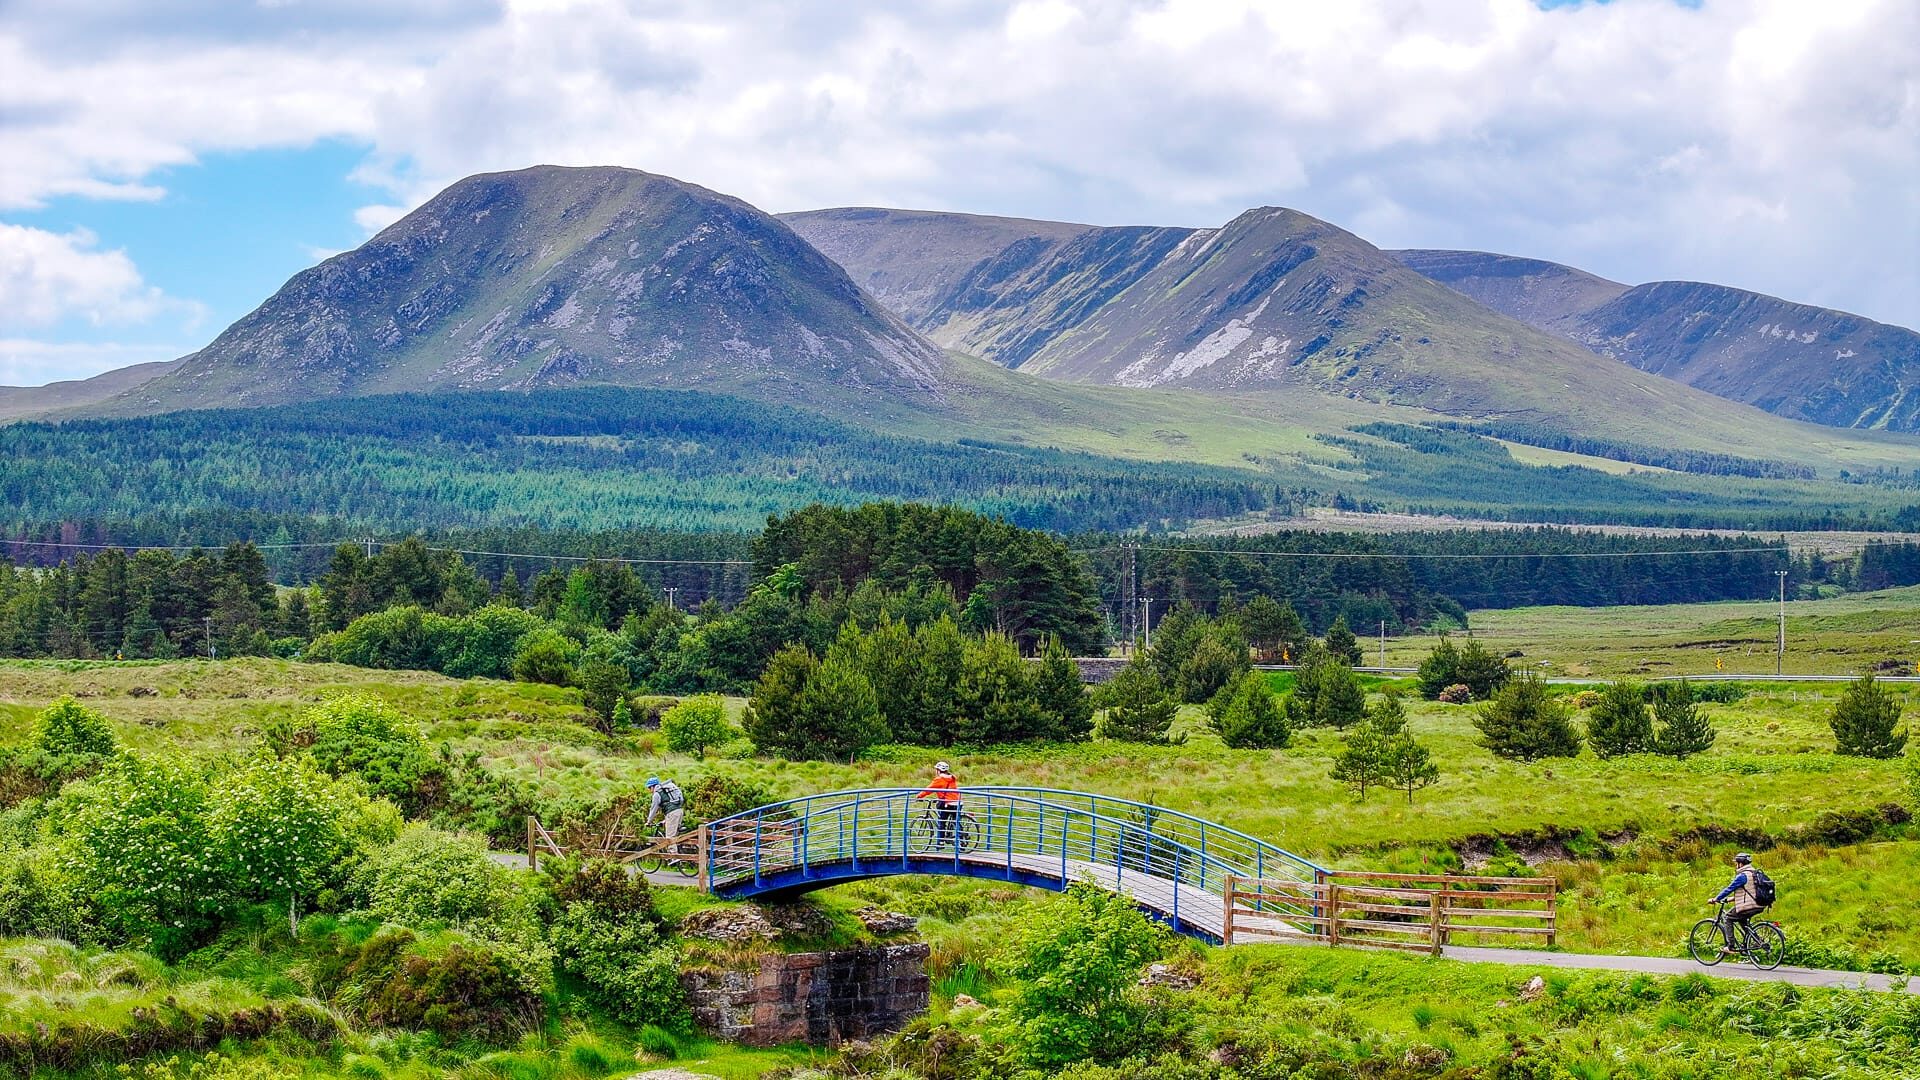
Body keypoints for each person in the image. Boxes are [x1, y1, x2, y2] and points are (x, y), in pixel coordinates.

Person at [1711, 852, 1765, 951]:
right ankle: (1756, 941)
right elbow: (1750, 891)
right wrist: (1731, 899)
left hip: (1749, 906)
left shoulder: (1743, 876)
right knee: (1741, 919)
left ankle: (1730, 946)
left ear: (1741, 864)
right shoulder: (1755, 873)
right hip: (1759, 904)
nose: (1736, 865)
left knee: (1728, 918)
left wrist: (1716, 899)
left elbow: (1729, 889)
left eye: (1736, 863)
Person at [916, 761, 962, 850]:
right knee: (956, 821)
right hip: (957, 802)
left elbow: (929, 789)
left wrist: (919, 795)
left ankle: (940, 843)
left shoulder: (939, 779)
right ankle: (963, 839)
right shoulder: (952, 778)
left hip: (947, 804)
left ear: (938, 770)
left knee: (942, 822)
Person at [644, 775, 686, 843]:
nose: (649, 790)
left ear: (653, 786)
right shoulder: (665, 790)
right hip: (679, 810)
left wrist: (649, 821)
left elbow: (653, 809)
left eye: (649, 787)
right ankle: (678, 849)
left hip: (672, 813)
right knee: (675, 835)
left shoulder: (657, 794)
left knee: (669, 838)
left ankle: (672, 853)